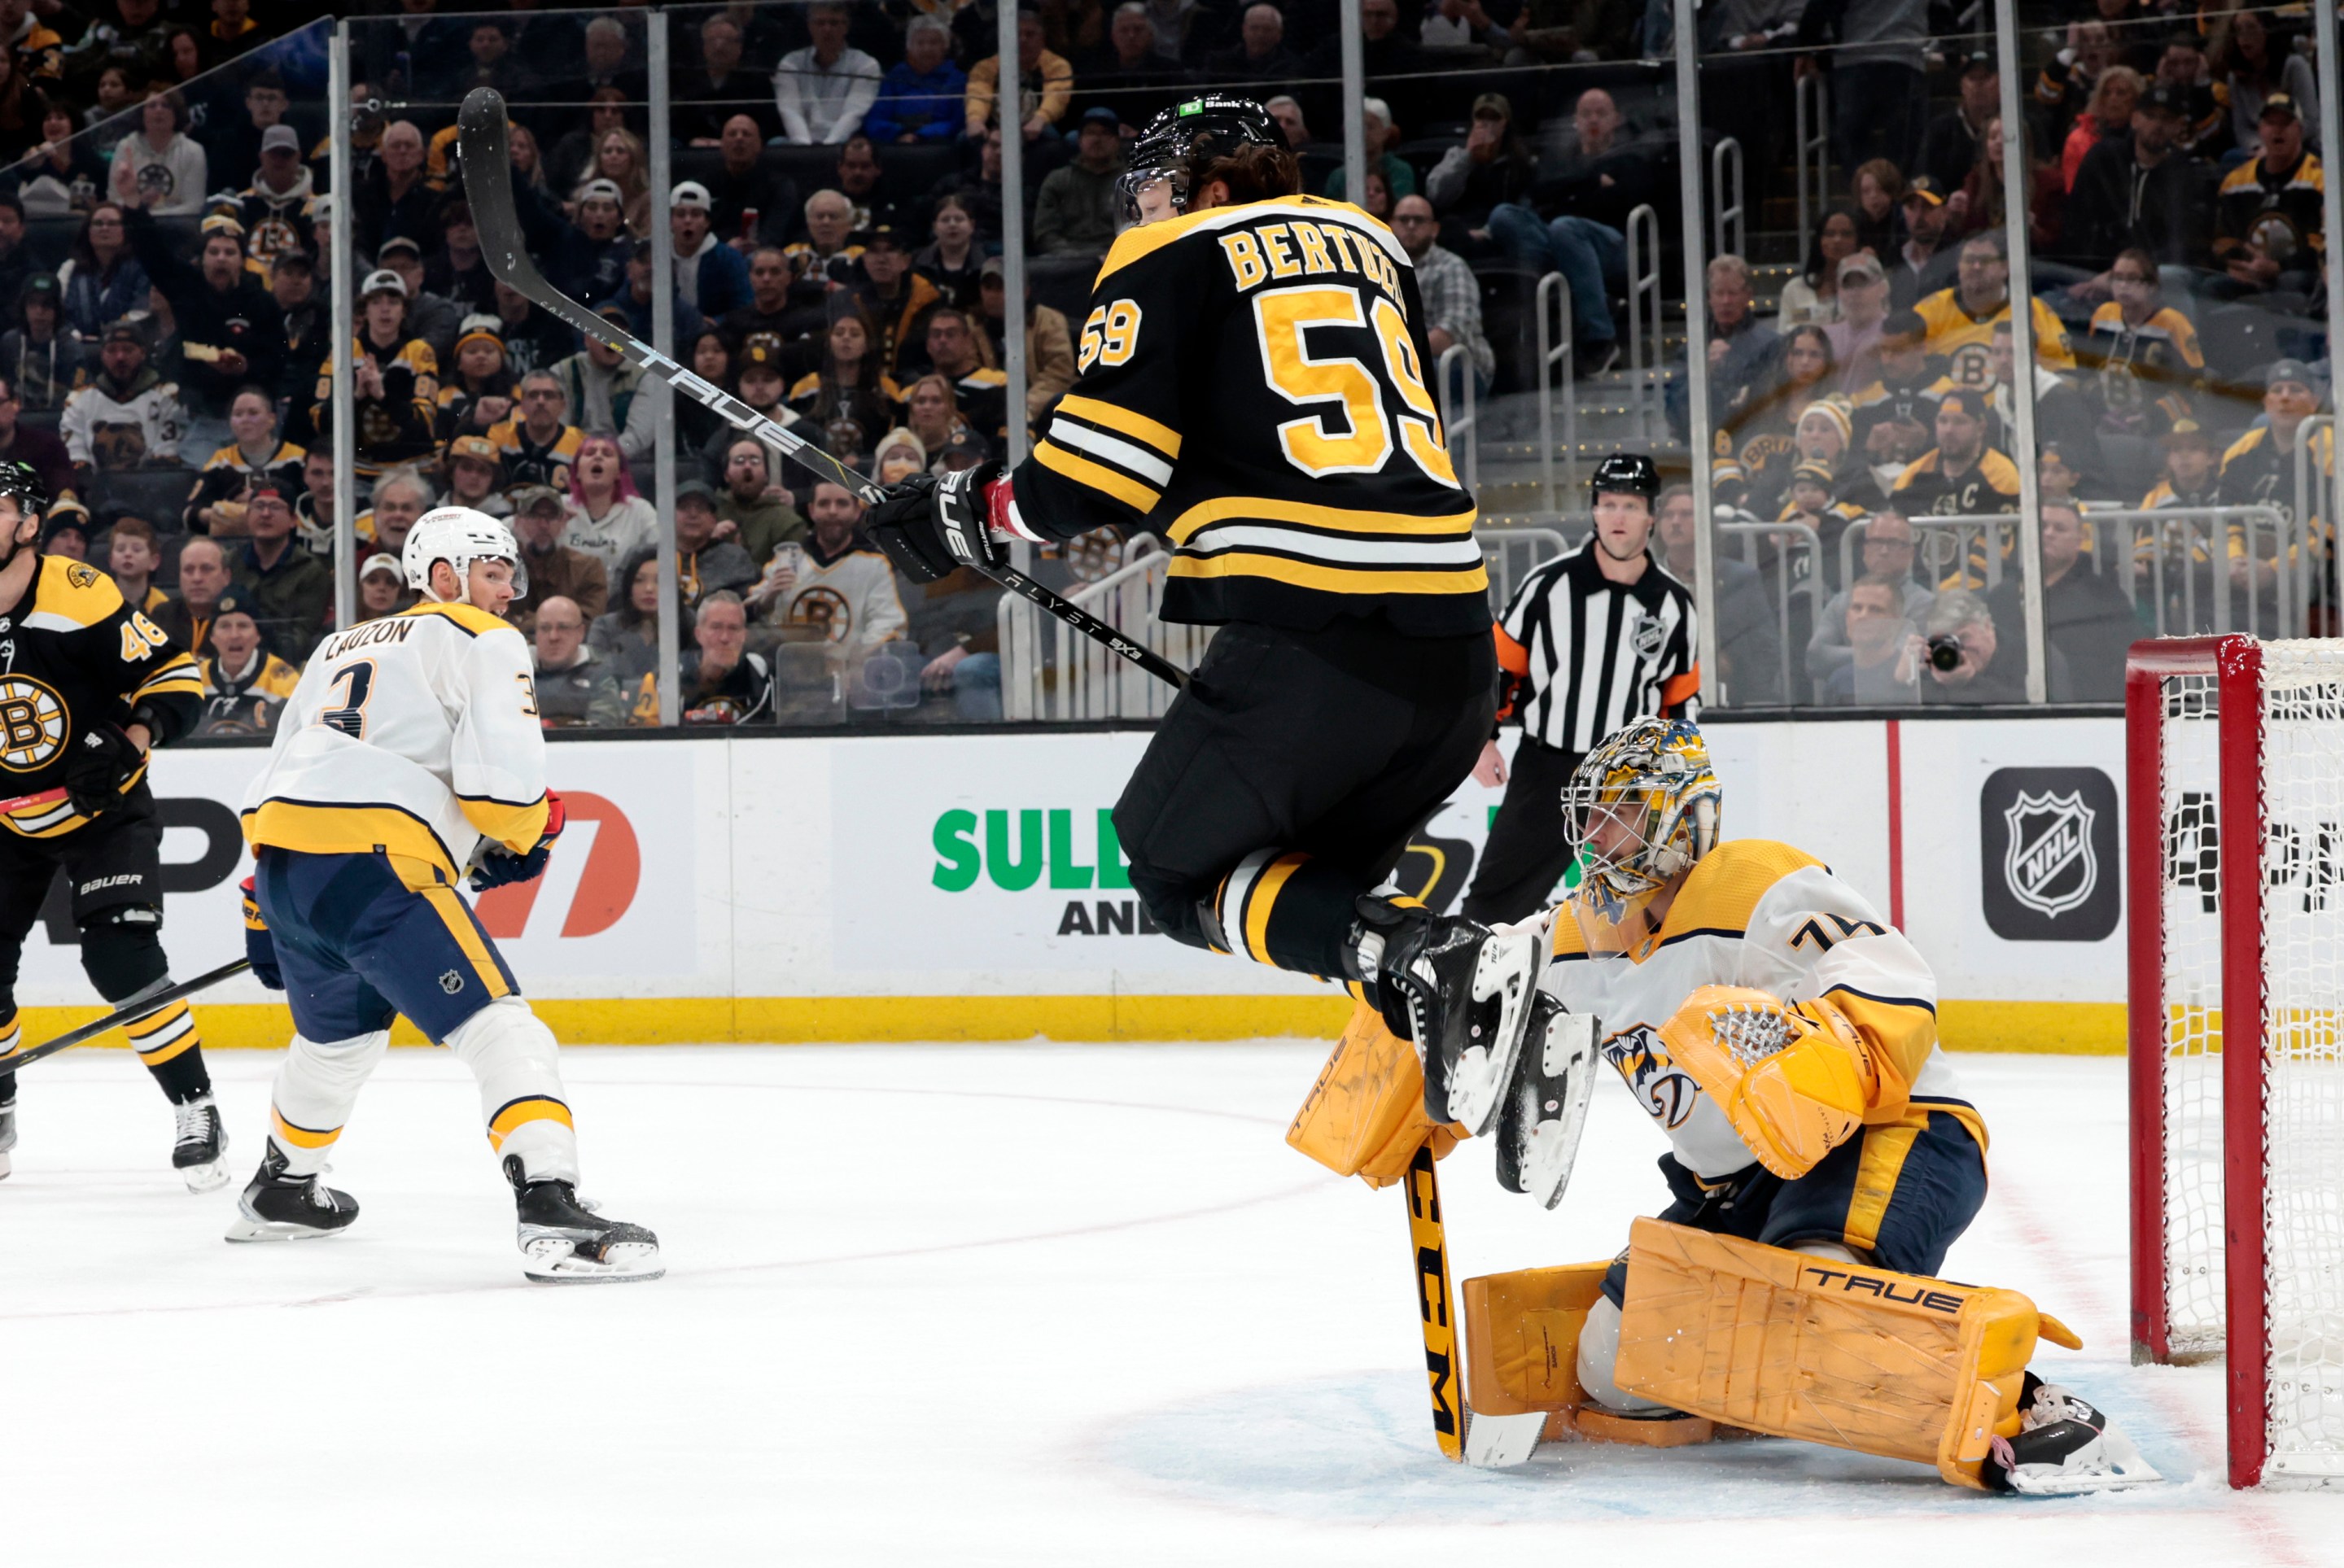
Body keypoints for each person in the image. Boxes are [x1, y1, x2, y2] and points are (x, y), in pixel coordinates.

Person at [866, 95, 1542, 1126]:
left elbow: (1101, 467)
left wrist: (974, 507)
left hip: (1317, 635)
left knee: (1169, 866)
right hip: (1453, 654)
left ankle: (1435, 959)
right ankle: (1475, 1004)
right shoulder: (1370, 242)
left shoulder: (1174, 253)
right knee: (1302, 893)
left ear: (1212, 189)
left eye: (1154, 193)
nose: (1141, 214)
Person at [1509, 716, 2155, 1492]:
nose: (1599, 832)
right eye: (1594, 812)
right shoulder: (1585, 930)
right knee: (1613, 1360)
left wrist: (1844, 1050)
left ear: (1681, 817)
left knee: (1821, 1290)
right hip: (1751, 1181)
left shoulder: (1752, 882)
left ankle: (2043, 1411)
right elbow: (1489, 983)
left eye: (1622, 810)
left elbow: (1889, 971)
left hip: (1892, 1131)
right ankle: (1761, 1382)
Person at [234, 506, 662, 1282]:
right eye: (494, 574)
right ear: (444, 577)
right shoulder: (481, 637)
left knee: (337, 1043)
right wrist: (532, 830)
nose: (507, 595)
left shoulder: (336, 645)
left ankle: (283, 1186)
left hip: (286, 872)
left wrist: (261, 902)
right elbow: (504, 791)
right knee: (501, 1028)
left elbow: (286, 771)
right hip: (374, 869)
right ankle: (551, 1207)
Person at [0, 461, 218, 1188]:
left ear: (28, 524)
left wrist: (131, 738)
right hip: (6, 817)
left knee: (120, 955)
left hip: (102, 807)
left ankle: (197, 1105)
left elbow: (177, 677)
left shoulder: (77, 591)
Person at [1461, 455, 1697, 922]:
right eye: (1608, 504)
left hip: (1631, 779)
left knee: (1650, 904)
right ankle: (1467, 988)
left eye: (1630, 505)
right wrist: (1483, 739)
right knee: (1496, 900)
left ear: (1651, 515)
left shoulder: (1674, 603)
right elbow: (1501, 670)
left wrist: (1678, 775)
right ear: (1593, 511)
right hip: (1547, 767)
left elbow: (1679, 700)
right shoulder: (1548, 586)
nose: (1618, 517)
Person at [1983, 499, 2139, 701]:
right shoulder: (2003, 595)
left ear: (2079, 539)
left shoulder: (2103, 597)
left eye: (2060, 529)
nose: (2048, 534)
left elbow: (2124, 664)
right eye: (2042, 526)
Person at [746, 478, 905, 662]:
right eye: (824, 504)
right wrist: (767, 599)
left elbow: (888, 623)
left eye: (842, 504)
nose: (832, 511)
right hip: (790, 674)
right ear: (811, 511)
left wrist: (855, 662)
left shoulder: (875, 565)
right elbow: (750, 615)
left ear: (857, 511)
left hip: (850, 680)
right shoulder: (787, 560)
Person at [2059, 83, 2199, 284]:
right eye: (2150, 116)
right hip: (2090, 275)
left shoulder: (2182, 174)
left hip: (2154, 280)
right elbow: (2077, 223)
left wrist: (2125, 275)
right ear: (2135, 119)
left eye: (2166, 119)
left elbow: (2181, 244)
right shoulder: (2103, 159)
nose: (2158, 125)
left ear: (2178, 126)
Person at [1911, 230, 2075, 395]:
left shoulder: (2033, 310)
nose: (1976, 267)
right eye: (1969, 260)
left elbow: (2065, 376)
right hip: (1946, 415)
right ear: (1958, 267)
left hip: (2013, 414)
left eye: (1985, 261)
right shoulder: (1929, 310)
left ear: (2005, 267)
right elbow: (1904, 370)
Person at [2207, 95, 2325, 303]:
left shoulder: (2319, 179)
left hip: (2299, 274)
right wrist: (2242, 264)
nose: (2277, 130)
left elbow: (2322, 245)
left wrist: (2278, 267)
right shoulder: (2236, 182)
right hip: (2251, 272)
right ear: (2260, 130)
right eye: (2271, 123)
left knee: (2291, 282)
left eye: (2286, 124)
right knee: (2213, 287)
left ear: (2299, 130)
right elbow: (2223, 240)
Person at [60, 316, 185, 486]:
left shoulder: (166, 398)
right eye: (112, 350)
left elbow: (166, 459)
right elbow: (76, 459)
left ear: (142, 353)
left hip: (150, 491)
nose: (120, 357)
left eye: (127, 350)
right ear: (102, 354)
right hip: (96, 491)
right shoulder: (79, 401)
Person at [1390, 195, 1492, 394]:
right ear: (1390, 225)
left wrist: (1393, 355)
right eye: (1403, 220)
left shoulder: (1451, 267)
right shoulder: (1378, 269)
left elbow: (1448, 335)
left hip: (1458, 366)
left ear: (1435, 229)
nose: (1410, 226)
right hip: (1400, 361)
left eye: (1419, 220)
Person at [636, 590, 774, 726]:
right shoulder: (665, 678)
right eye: (716, 627)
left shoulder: (761, 674)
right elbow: (644, 738)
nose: (724, 638)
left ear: (744, 636)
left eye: (733, 628)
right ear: (699, 634)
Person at [230, 479, 331, 660]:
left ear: (293, 520)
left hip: (286, 663)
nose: (266, 514)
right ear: (247, 515)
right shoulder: (229, 563)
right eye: (259, 506)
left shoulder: (310, 570)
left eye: (275, 507)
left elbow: (304, 632)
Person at [1900, 587, 2049, 705]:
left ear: (1987, 626)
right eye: (1947, 641)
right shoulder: (1934, 661)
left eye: (1964, 637)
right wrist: (1904, 679)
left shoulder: (2034, 658)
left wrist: (1970, 681)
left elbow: (2033, 714)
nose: (1957, 649)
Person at [1892, 391, 2021, 520]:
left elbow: (2006, 537)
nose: (1949, 430)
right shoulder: (1913, 476)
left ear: (1981, 428)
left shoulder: (2001, 475)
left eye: (1959, 422)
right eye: (1943, 421)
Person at [192, 586, 298, 736]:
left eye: (243, 626)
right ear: (212, 637)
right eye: (225, 626)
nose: (234, 635)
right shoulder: (196, 678)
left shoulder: (283, 681)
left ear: (258, 635)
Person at [505, 483, 610, 633]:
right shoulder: (501, 568)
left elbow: (589, 625)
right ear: (517, 523)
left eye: (551, 516)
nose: (543, 525)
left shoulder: (587, 568)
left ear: (563, 523)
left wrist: (529, 621)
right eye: (534, 516)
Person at [775, 1, 881, 146]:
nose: (827, 29)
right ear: (810, 27)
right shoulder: (790, 63)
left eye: (834, 23)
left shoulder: (866, 65)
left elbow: (854, 114)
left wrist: (828, 149)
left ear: (846, 27)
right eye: (820, 23)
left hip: (844, 146)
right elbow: (790, 111)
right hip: (799, 144)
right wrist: (805, 148)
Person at [964, 9, 1074, 147]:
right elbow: (978, 94)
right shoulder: (985, 67)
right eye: (1016, 34)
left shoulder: (1057, 65)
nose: (1023, 39)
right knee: (965, 139)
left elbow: (1057, 95)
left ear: (1042, 38)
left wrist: (1041, 119)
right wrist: (975, 120)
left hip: (1039, 126)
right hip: (995, 127)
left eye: (1030, 34)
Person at [1034, 107, 1125, 257]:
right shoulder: (1058, 179)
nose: (1097, 139)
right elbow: (1045, 233)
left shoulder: (1133, 183)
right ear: (1079, 140)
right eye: (1090, 133)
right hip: (1067, 260)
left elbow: (1141, 230)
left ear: (1116, 141)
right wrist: (1075, 255)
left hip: (1117, 259)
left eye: (1105, 133)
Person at [705, 115, 802, 255]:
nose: (739, 138)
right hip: (717, 253)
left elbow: (776, 232)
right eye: (732, 134)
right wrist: (724, 247)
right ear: (722, 144)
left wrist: (752, 247)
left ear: (759, 145)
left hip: (763, 257)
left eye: (746, 134)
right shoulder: (705, 185)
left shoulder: (780, 186)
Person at [561, 434, 658, 572]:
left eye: (607, 454)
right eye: (589, 453)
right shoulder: (558, 506)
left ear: (619, 473)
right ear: (577, 472)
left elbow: (662, 552)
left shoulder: (640, 511)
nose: (598, 457)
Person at [1821, 573, 1923, 703]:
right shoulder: (1838, 680)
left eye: (1875, 609)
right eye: (1857, 608)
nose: (1863, 616)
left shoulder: (1911, 672)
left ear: (1896, 624)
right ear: (1847, 619)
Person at [866, 15, 966, 145]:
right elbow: (876, 118)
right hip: (896, 143)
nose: (927, 49)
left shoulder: (957, 78)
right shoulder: (895, 77)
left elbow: (957, 121)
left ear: (945, 47)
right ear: (909, 47)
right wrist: (898, 134)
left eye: (934, 43)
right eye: (920, 43)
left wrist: (921, 135)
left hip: (939, 144)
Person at [531, 593, 626, 727]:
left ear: (580, 633)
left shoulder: (600, 671)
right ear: (535, 633)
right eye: (545, 628)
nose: (553, 637)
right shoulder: (517, 669)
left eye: (563, 628)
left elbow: (604, 728)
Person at [107, 90, 204, 216]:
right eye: (152, 106)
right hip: (133, 222)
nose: (159, 110)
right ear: (141, 113)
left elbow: (194, 205)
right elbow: (114, 200)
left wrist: (148, 215)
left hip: (177, 226)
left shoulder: (193, 151)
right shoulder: (125, 147)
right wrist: (139, 204)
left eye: (166, 105)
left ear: (176, 113)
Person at [2, 274, 89, 418]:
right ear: (24, 307)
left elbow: (81, 392)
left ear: (57, 309)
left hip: (60, 419)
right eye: (32, 303)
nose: (39, 311)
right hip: (17, 419)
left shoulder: (70, 348)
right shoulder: (10, 343)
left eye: (47, 304)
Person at [488, 370, 586, 496]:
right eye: (533, 395)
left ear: (563, 405)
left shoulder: (581, 445)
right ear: (522, 404)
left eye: (549, 395)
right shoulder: (498, 435)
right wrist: (476, 423)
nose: (540, 401)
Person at [715, 436, 808, 566]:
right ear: (726, 475)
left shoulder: (787, 522)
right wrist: (708, 541)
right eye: (739, 461)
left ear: (766, 475)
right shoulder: (710, 512)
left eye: (754, 461)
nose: (747, 466)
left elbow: (790, 575)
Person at [669, 182, 752, 324]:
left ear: (707, 222)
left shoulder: (728, 258)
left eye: (695, 214)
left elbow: (744, 305)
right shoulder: (655, 257)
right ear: (670, 221)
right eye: (680, 214)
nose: (688, 220)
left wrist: (716, 322)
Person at [1921, 50, 2001, 192]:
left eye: (1985, 77)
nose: (1978, 85)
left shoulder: (2019, 124)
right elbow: (1925, 177)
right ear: (1962, 86)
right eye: (1972, 78)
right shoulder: (1939, 128)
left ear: (2001, 83)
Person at [672, 480, 759, 610]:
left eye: (701, 508)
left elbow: (748, 608)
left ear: (713, 520)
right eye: (684, 507)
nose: (693, 514)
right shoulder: (652, 557)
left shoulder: (734, 559)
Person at [1778, 209, 1861, 328]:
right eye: (1830, 234)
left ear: (1857, 241)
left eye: (1846, 234)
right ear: (1819, 241)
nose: (1837, 240)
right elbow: (1784, 337)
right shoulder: (1795, 289)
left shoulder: (1870, 288)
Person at [155, 531, 227, 657]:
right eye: (188, 570)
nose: (197, 578)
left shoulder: (238, 618)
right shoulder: (162, 616)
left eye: (206, 569)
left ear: (226, 576)